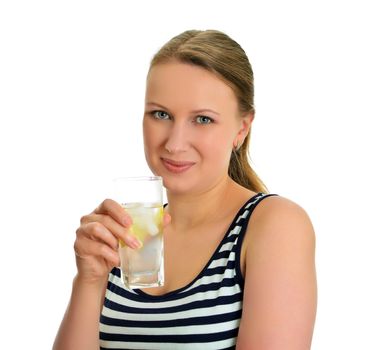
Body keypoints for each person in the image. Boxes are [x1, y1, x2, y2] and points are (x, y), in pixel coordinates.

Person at [53, 29, 317, 350]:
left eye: (203, 119)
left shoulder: (275, 225)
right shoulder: (127, 236)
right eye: (161, 114)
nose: (174, 143)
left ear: (242, 129)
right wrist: (90, 280)